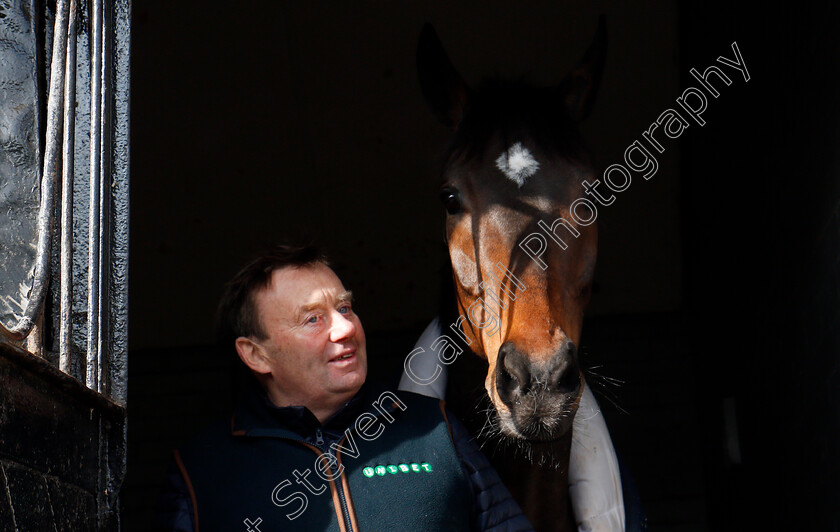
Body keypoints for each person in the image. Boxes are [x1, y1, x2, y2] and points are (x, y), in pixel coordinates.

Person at [152, 245, 533, 532]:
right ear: (256, 355)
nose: (345, 329)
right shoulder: (200, 471)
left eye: (346, 309)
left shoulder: (434, 427)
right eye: (314, 319)